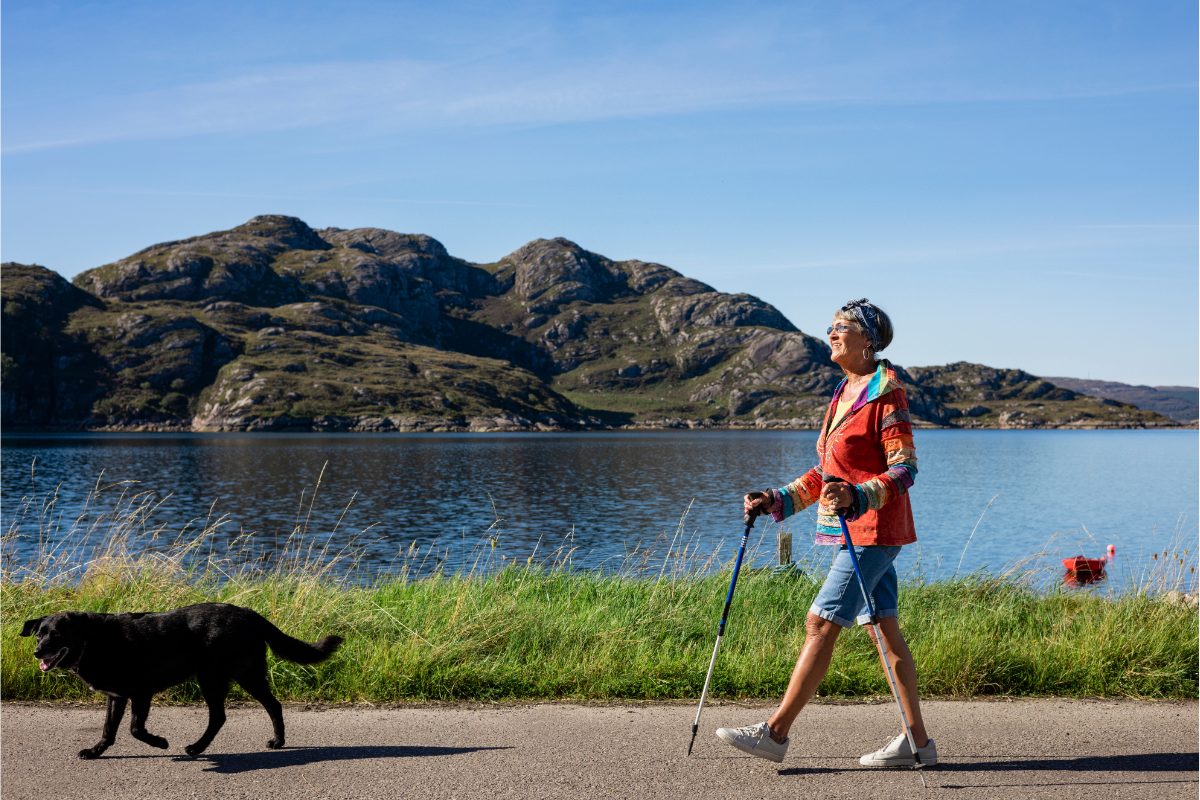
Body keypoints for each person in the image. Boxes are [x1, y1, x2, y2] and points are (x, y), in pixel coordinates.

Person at [714, 298, 936, 767]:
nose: (831, 333)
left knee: (820, 621)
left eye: (841, 327)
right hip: (855, 532)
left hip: (875, 530)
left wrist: (858, 497)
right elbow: (827, 473)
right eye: (831, 326)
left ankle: (775, 733)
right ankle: (918, 745)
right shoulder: (844, 391)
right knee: (885, 632)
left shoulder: (886, 393)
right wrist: (775, 499)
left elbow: (905, 469)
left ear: (867, 340)